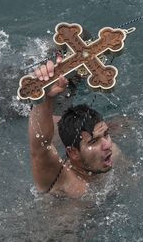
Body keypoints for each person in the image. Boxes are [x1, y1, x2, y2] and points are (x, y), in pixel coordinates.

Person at [28, 57, 121, 198]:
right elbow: (40, 147)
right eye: (93, 142)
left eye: (106, 134)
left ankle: (70, 64)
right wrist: (44, 97)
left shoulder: (112, 152)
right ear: (73, 153)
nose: (108, 144)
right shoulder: (60, 180)